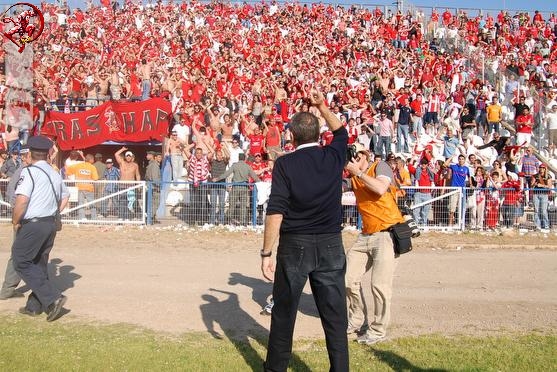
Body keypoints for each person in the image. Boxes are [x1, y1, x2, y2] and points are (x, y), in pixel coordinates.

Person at [260, 88, 348, 372]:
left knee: (284, 314)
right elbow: (342, 131)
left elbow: (276, 210)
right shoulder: (333, 155)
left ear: (292, 136)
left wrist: (266, 252)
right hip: (331, 244)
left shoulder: (285, 163)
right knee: (335, 318)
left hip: (295, 245)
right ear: (318, 135)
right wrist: (322, 106)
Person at [344, 142, 405, 345]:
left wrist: (358, 173)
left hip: (387, 233)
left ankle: (378, 330)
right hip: (366, 234)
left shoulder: (379, 166)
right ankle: (356, 320)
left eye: (357, 156)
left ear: (366, 155)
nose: (354, 160)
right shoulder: (352, 177)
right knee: (347, 278)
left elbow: (380, 188)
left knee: (380, 285)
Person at [11, 136, 70, 321]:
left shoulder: (29, 173)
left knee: (21, 260)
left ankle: (53, 297)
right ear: (47, 154)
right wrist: (51, 211)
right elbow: (65, 197)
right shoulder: (54, 173)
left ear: (29, 153)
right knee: (39, 263)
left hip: (34, 224)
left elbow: (22, 201)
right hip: (49, 223)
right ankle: (34, 306)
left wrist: (15, 221)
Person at [0, 145, 30, 300]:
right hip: (23, 217)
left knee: (22, 253)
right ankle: (8, 289)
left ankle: (9, 288)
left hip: (24, 216)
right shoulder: (22, 172)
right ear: (25, 157)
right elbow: (13, 195)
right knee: (19, 253)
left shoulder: (26, 171)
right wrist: (17, 215)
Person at [213, 153, 260, 225]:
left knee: (232, 205)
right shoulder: (247, 166)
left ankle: (228, 221)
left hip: (235, 187)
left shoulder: (235, 165)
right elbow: (254, 177)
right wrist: (261, 183)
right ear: (245, 159)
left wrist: (217, 178)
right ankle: (242, 222)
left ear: (238, 158)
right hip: (244, 187)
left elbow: (226, 174)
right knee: (243, 206)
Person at [66, 153, 99, 220]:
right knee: (91, 203)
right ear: (91, 160)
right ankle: (94, 217)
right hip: (89, 188)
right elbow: (96, 178)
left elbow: (68, 171)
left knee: (80, 203)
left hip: (79, 187)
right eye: (93, 159)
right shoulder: (92, 167)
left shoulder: (78, 165)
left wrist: (74, 178)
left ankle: (82, 217)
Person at [530, 164, 553, 231]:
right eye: (540, 167)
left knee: (543, 210)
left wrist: (542, 185)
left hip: (544, 194)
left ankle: (546, 225)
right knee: (536, 210)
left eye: (543, 168)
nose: (541, 169)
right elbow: (531, 186)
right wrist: (534, 184)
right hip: (536, 194)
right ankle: (537, 225)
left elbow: (549, 186)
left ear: (545, 169)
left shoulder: (548, 176)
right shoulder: (535, 176)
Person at [144, 151, 162, 222]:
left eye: (148, 155)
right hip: (154, 187)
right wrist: (158, 186)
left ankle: (152, 218)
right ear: (154, 157)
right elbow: (154, 178)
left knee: (152, 203)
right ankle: (150, 218)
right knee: (156, 203)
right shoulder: (154, 165)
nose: (146, 156)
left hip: (151, 186)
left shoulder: (151, 164)